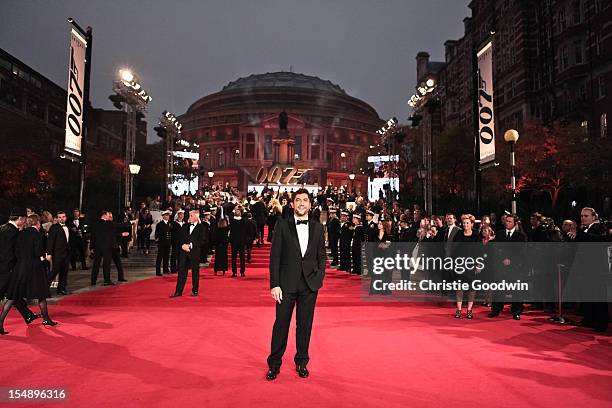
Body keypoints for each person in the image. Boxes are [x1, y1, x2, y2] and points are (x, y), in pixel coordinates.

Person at [266, 188, 326, 381]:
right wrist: (275, 284)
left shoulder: (317, 227)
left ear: (310, 204)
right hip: (285, 285)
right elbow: (275, 257)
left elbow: (321, 257)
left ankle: (302, 362)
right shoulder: (282, 225)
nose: (301, 203)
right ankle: (274, 364)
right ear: (292, 204)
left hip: (309, 285)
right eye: (298, 200)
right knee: (281, 325)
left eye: (305, 200)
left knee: (305, 326)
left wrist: (319, 278)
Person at [1, 213, 58, 334]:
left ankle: (0, 323)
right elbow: (38, 252)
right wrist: (43, 259)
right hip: (34, 268)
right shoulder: (37, 234)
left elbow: (16, 251)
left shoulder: (20, 234)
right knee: (41, 294)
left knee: (12, 297)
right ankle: (46, 319)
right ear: (37, 223)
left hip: (19, 268)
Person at [0, 208, 40, 327]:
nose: (24, 223)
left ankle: (28, 315)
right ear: (20, 219)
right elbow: (10, 253)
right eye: (24, 220)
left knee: (14, 293)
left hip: (4, 268)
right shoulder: (13, 232)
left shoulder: (2, 228)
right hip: (7, 270)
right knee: (11, 293)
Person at [489, 214, 527, 320]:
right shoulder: (500, 234)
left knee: (516, 290)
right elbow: (496, 249)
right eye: (506, 221)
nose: (507, 223)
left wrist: (511, 260)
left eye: (510, 221)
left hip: (515, 268)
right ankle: (496, 310)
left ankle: (516, 311)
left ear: (515, 223)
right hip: (501, 266)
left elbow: (522, 252)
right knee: (499, 289)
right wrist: (502, 259)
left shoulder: (521, 236)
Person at [170, 210, 207, 297]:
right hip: (183, 253)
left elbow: (203, 241)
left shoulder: (201, 227)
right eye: (189, 215)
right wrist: (182, 245)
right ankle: (178, 291)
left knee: (195, 272)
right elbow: (180, 238)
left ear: (196, 217)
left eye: (191, 216)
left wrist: (191, 245)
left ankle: (195, 290)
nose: (189, 217)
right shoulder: (185, 226)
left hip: (194, 253)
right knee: (181, 272)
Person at [453, 214, 480, 319]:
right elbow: (454, 249)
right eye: (464, 223)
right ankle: (459, 309)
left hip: (472, 264)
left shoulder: (476, 235)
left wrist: (478, 264)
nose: (465, 224)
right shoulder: (459, 233)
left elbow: (480, 250)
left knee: (471, 288)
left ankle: (469, 310)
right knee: (459, 288)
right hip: (460, 264)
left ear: (471, 224)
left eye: (467, 223)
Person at [46, 211, 71, 295]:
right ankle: (44, 289)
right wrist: (49, 253)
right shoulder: (54, 227)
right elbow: (50, 241)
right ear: (57, 218)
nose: (61, 219)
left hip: (66, 253)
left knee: (64, 272)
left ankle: (61, 289)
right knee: (54, 271)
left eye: (63, 217)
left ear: (66, 218)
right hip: (57, 254)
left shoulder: (68, 227)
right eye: (59, 217)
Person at [90, 211, 117, 286]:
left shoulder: (95, 224)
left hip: (97, 247)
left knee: (96, 265)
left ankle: (93, 281)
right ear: (104, 215)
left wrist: (91, 247)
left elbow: (93, 236)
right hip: (107, 248)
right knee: (106, 265)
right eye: (108, 215)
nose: (109, 217)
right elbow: (119, 225)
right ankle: (106, 280)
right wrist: (131, 222)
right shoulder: (109, 223)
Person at [229, 207, 247, 277]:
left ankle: (238, 272)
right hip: (238, 241)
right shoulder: (238, 220)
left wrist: (235, 209)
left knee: (238, 257)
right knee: (238, 257)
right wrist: (242, 208)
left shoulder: (236, 220)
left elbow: (230, 215)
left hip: (237, 241)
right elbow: (245, 214)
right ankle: (238, 272)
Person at [155, 210, 173, 276]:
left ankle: (166, 270)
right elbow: (157, 234)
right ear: (163, 216)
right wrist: (157, 240)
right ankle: (158, 271)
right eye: (166, 215)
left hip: (168, 243)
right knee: (160, 257)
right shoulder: (160, 224)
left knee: (166, 257)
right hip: (162, 243)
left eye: (168, 215)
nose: (167, 216)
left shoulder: (169, 223)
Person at [170, 209, 186, 273]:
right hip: (176, 242)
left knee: (181, 256)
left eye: (183, 214)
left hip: (182, 242)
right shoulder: (174, 223)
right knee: (174, 256)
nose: (182, 216)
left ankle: (180, 268)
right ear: (178, 215)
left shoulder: (184, 224)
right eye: (180, 214)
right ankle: (173, 269)